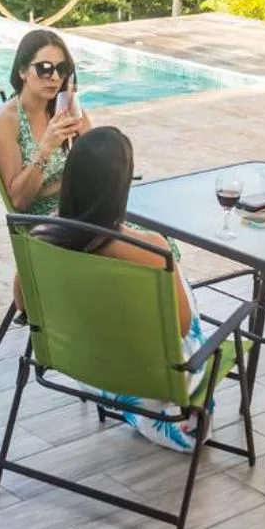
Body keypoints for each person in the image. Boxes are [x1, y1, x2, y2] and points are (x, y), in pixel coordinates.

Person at [39, 126, 208, 454]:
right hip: (153, 385)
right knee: (181, 292)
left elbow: (24, 303)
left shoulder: (42, 235)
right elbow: (184, 327)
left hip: (86, 367)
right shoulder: (151, 251)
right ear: (122, 186)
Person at [0, 29, 91, 213]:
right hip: (45, 221)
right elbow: (18, 201)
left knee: (154, 237)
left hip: (82, 208)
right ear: (22, 71)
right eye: (45, 69)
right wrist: (46, 149)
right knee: (148, 241)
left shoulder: (65, 107)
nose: (56, 78)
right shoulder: (5, 121)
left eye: (62, 69)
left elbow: (96, 163)